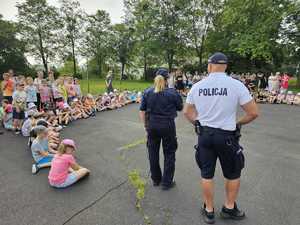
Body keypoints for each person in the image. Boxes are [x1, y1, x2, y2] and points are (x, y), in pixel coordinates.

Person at [183, 52, 259, 224]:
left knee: (206, 174)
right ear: (226, 66)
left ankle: (209, 211)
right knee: (233, 174)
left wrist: (197, 124)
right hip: (227, 136)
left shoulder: (198, 86)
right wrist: (238, 124)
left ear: (209, 66)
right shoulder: (236, 85)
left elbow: (187, 112)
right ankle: (229, 208)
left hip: (205, 136)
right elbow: (253, 113)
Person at [139, 68, 183, 190]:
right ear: (167, 79)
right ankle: (167, 182)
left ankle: (156, 179)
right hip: (167, 125)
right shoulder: (172, 92)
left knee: (153, 152)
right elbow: (180, 107)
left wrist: (145, 126)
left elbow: (142, 111)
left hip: (152, 125)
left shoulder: (147, 92)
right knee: (169, 153)